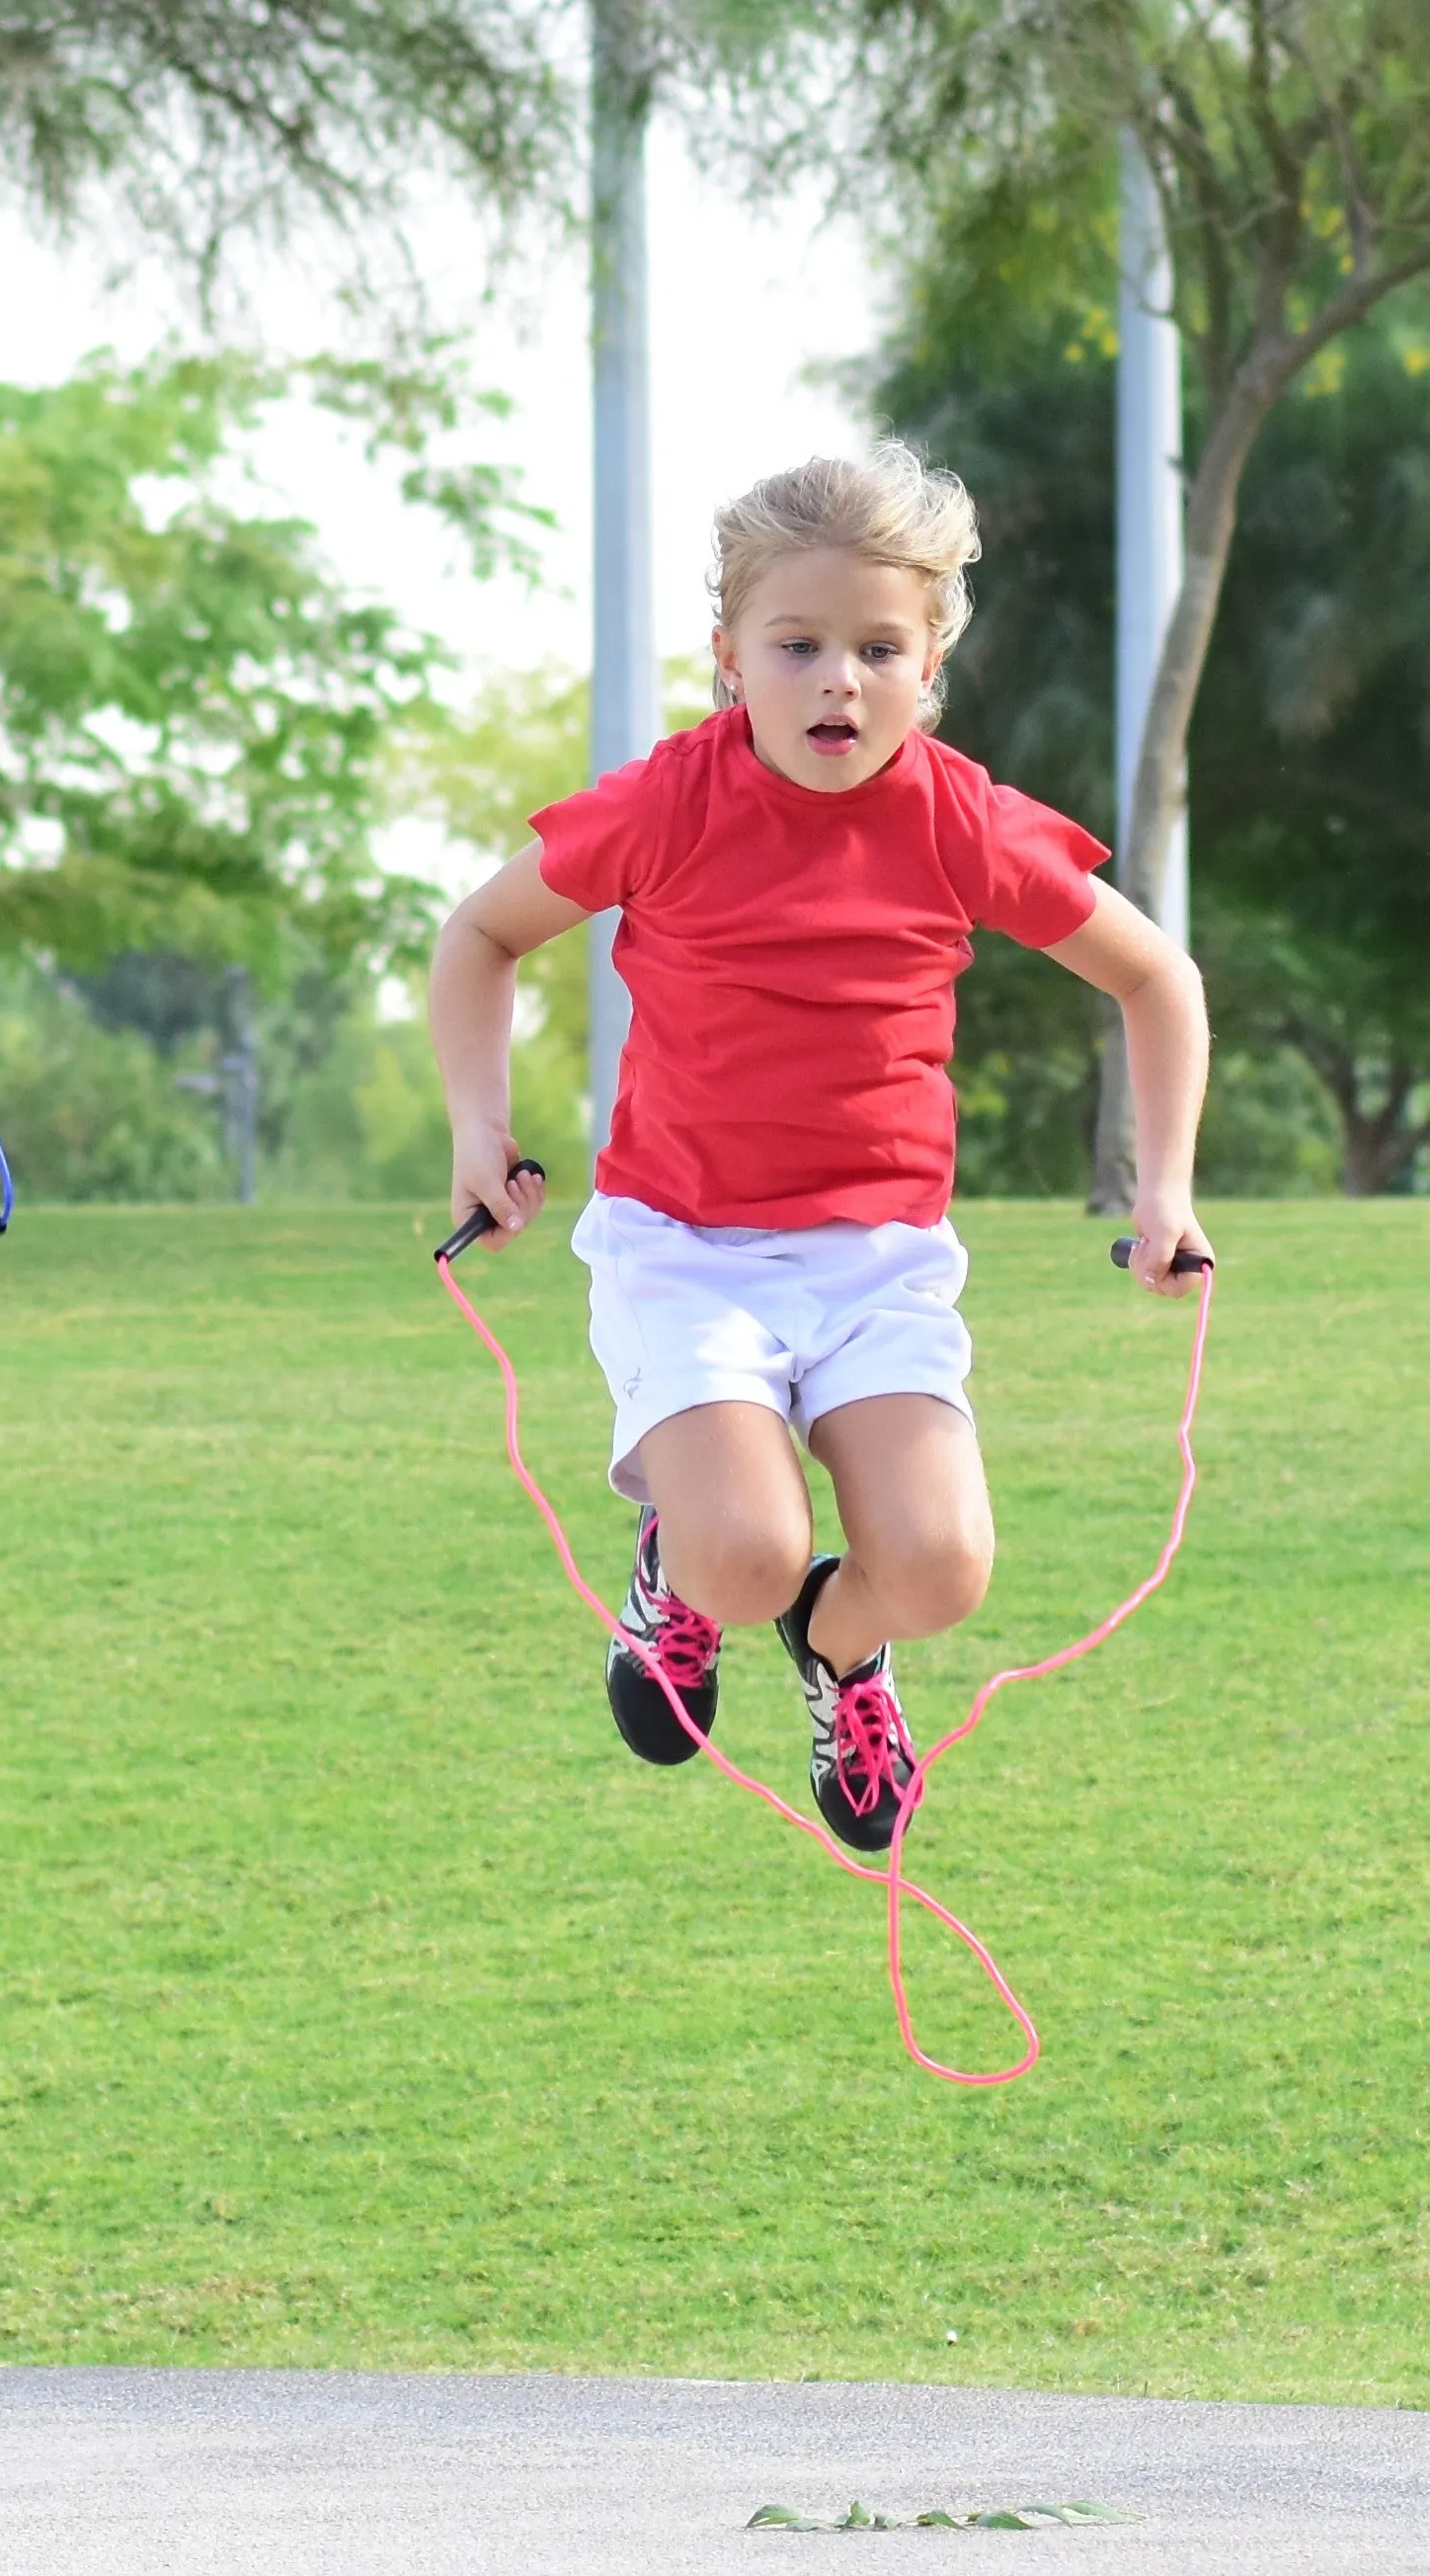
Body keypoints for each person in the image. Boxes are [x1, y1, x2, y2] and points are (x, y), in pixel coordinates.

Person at [429, 444, 1211, 1852]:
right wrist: (477, 1131)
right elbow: (477, 935)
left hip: (875, 1260)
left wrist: (1163, 1191)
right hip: (685, 1251)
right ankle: (683, 1574)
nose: (834, 680)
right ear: (729, 657)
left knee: (939, 1567)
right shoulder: (667, 803)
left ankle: (841, 1654)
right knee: (744, 1551)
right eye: (795, 645)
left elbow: (1157, 980)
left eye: (875, 647)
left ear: (930, 668)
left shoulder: (962, 820)